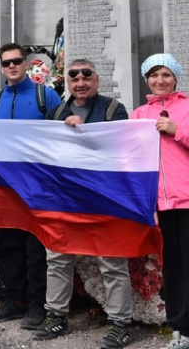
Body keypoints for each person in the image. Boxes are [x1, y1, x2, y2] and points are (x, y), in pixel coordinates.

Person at [34, 60, 132, 348]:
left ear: (96, 80)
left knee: (111, 260)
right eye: (74, 77)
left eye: (86, 76)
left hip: (104, 198)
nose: (80, 81)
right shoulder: (57, 113)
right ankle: (56, 316)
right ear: (68, 82)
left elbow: (120, 148)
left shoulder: (114, 109)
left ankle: (120, 323)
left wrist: (85, 130)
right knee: (58, 258)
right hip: (65, 197)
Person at [0, 42, 62, 330]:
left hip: (39, 186)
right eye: (6, 63)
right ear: (2, 67)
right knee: (7, 245)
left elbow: (61, 136)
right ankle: (13, 299)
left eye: (17, 61)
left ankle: (37, 303)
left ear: (27, 64)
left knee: (37, 246)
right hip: (5, 187)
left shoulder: (46, 96)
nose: (12, 66)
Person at [131, 53, 189, 349]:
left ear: (176, 77)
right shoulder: (139, 114)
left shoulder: (188, 108)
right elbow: (129, 156)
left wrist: (177, 131)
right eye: (153, 75)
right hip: (160, 205)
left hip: (188, 201)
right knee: (174, 269)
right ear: (147, 80)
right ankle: (181, 328)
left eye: (165, 74)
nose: (159, 80)